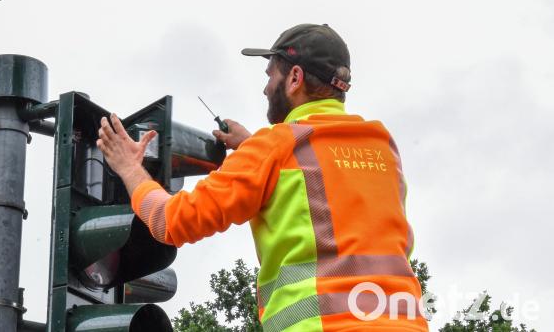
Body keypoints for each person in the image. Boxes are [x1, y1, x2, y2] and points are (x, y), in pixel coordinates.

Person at [96, 23, 428, 331]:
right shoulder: (382, 148)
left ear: (295, 78)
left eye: (270, 75)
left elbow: (170, 222)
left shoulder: (274, 148)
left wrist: (129, 167)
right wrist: (253, 145)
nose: (266, 88)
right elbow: (325, 171)